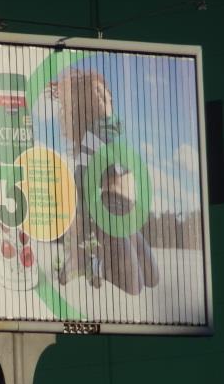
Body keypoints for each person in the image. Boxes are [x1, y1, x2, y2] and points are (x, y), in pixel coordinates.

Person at [48, 68, 158, 294]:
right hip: (108, 213)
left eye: (105, 92)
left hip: (128, 214)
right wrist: (81, 227)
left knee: (152, 278)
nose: (104, 97)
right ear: (89, 102)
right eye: (97, 93)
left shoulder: (115, 130)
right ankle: (90, 264)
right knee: (135, 286)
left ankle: (90, 259)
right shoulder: (93, 136)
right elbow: (80, 184)